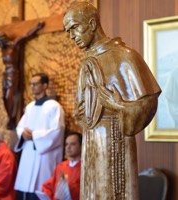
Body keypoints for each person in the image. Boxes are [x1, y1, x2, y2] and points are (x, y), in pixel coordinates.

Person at [63, 2, 161, 200]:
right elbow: (83, 112)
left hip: (115, 143)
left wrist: (118, 106)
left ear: (91, 24)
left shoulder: (125, 56)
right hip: (91, 144)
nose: (72, 36)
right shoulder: (87, 62)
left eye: (75, 28)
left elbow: (148, 102)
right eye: (68, 32)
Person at [14, 73, 65, 200]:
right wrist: (23, 134)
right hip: (28, 153)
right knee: (25, 189)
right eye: (31, 84)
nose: (32, 86)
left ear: (45, 85)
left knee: (40, 190)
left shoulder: (54, 106)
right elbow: (20, 127)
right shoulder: (30, 107)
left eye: (35, 84)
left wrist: (34, 136)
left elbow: (57, 130)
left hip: (44, 154)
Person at [0, 22, 44, 130]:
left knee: (9, 96)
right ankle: (10, 117)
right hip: (5, 74)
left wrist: (36, 27)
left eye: (1, 40)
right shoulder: (2, 47)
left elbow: (26, 35)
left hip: (13, 73)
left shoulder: (14, 44)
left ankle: (11, 118)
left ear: (4, 39)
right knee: (4, 96)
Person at [42, 132, 82, 200]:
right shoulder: (61, 166)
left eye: (73, 144)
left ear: (81, 146)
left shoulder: (86, 168)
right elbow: (48, 186)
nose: (68, 147)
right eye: (66, 144)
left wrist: (66, 185)